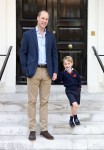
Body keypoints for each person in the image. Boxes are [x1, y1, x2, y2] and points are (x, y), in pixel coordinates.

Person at [20, 10, 58, 140]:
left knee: (44, 102)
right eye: (42, 18)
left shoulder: (51, 36)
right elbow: (23, 53)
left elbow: (54, 54)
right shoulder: (28, 35)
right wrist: (25, 69)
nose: (44, 21)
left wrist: (55, 71)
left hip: (47, 72)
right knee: (32, 101)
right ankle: (32, 129)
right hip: (33, 71)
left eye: (46, 19)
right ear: (37, 18)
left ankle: (44, 129)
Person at [57, 56, 81, 127]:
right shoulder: (62, 73)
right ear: (63, 65)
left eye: (68, 63)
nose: (67, 65)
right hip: (69, 91)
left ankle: (71, 120)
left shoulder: (75, 72)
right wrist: (53, 78)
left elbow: (79, 81)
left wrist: (79, 89)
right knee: (75, 105)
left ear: (72, 63)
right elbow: (58, 80)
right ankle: (75, 117)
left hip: (76, 91)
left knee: (72, 106)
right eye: (65, 64)